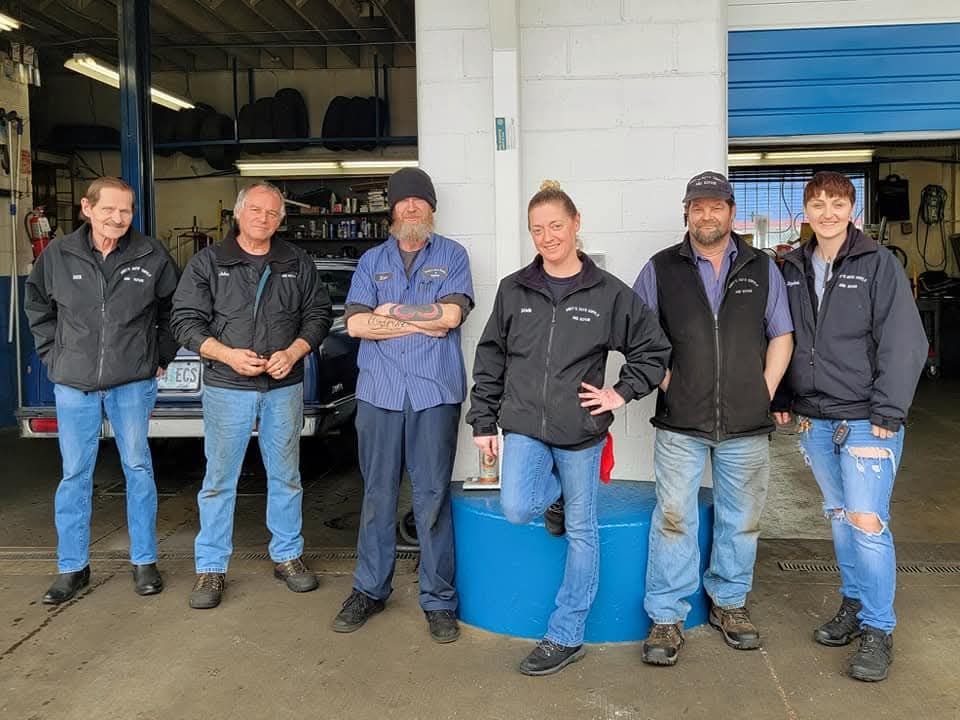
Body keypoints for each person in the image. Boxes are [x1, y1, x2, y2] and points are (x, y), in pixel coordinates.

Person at [467, 180, 671, 676]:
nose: (547, 237)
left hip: (581, 432)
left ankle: (566, 634)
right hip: (524, 426)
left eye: (555, 225)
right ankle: (555, 495)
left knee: (582, 531)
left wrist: (618, 393)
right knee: (516, 506)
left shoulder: (609, 294)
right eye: (537, 229)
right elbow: (491, 354)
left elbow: (653, 348)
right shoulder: (515, 289)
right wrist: (482, 418)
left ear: (576, 225)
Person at [634, 170, 795, 666]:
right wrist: (670, 384)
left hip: (746, 424)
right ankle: (666, 615)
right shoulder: (661, 269)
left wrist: (761, 391)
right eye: (698, 207)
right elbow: (641, 338)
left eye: (717, 206)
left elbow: (782, 335)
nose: (707, 215)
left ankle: (730, 604)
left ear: (731, 211)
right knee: (674, 519)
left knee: (740, 520)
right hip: (681, 422)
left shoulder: (762, 268)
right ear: (687, 213)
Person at [773, 171, 927, 682]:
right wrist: (783, 397)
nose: (827, 213)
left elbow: (905, 341)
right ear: (806, 213)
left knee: (866, 521)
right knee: (839, 517)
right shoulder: (792, 266)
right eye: (817, 204)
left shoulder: (878, 264)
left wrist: (888, 410)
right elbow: (782, 334)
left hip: (866, 418)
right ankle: (855, 605)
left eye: (837, 203)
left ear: (853, 211)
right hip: (815, 419)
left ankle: (880, 629)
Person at [171, 181, 332, 609]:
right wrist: (226, 355)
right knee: (219, 481)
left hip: (283, 385)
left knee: (287, 475)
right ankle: (211, 567)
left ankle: (288, 555)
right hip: (228, 387)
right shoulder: (209, 262)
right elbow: (184, 321)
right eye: (256, 210)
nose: (264, 218)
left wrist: (294, 351)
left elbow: (318, 314)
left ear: (281, 219)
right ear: (239, 214)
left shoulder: (296, 262)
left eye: (273, 213)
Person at [332, 167, 474, 644]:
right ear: (392, 210)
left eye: (420, 201)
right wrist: (424, 321)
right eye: (403, 201)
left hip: (435, 392)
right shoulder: (373, 261)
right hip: (380, 393)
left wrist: (389, 312)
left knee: (432, 496)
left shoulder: (453, 255)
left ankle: (438, 599)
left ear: (432, 208)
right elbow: (355, 326)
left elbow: (452, 316)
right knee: (376, 495)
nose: (411, 208)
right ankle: (370, 589)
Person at [25, 176, 179, 603]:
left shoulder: (150, 255)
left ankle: (144, 561)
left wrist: (159, 355)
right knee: (74, 475)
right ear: (86, 208)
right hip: (74, 384)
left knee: (138, 468)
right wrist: (54, 356)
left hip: (132, 382)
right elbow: (37, 304)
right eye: (109, 209)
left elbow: (176, 307)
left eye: (125, 211)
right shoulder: (59, 254)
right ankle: (72, 567)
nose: (118, 218)